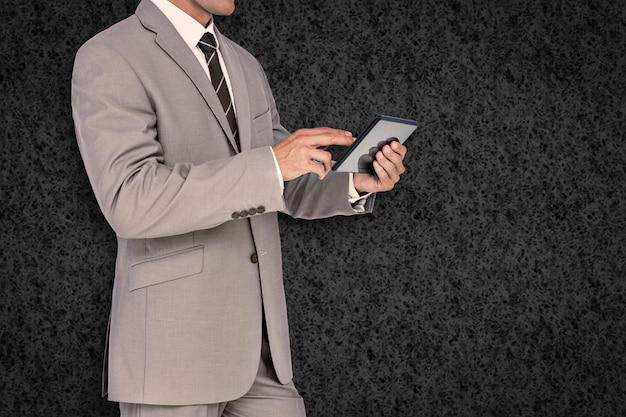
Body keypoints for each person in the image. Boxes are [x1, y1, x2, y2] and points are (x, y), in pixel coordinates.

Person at [71, 0, 407, 416]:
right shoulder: (111, 53)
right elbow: (130, 199)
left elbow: (280, 183)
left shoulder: (244, 64)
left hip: (263, 355)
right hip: (173, 354)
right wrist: (271, 164)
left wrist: (356, 183)